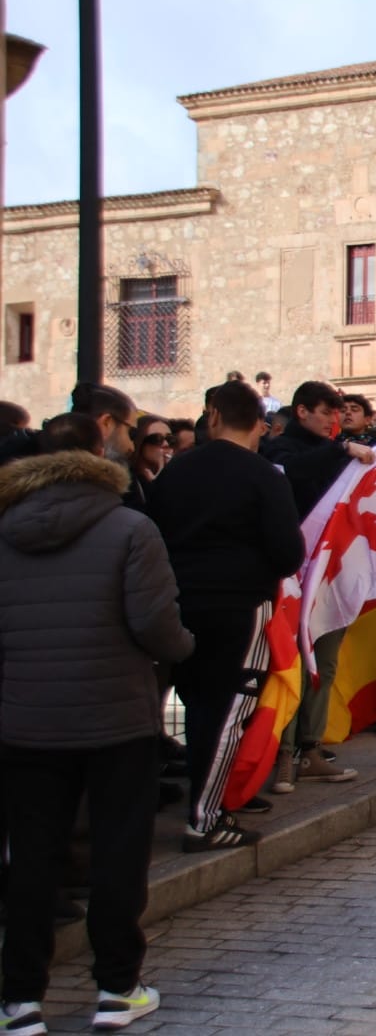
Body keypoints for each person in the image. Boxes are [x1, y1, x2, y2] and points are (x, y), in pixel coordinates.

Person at [0, 411, 194, 1033]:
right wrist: (184, 646)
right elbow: (155, 624)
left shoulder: (5, 530)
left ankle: (20, 998)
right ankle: (117, 987)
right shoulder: (130, 527)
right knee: (118, 852)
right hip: (116, 717)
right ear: (98, 452)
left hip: (27, 718)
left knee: (31, 855)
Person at [150, 379, 305, 850]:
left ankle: (199, 804)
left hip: (177, 602)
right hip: (239, 606)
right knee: (227, 711)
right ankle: (206, 816)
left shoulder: (174, 472)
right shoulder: (263, 476)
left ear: (212, 415)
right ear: (258, 422)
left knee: (194, 704)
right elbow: (288, 552)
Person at [261, 381, 374, 791]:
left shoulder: (342, 451)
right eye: (326, 412)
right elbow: (292, 473)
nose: (333, 420)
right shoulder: (279, 449)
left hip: (331, 571)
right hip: (292, 575)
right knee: (291, 664)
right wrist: (341, 449)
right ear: (303, 411)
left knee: (322, 666)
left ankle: (309, 748)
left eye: (336, 413)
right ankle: (283, 752)